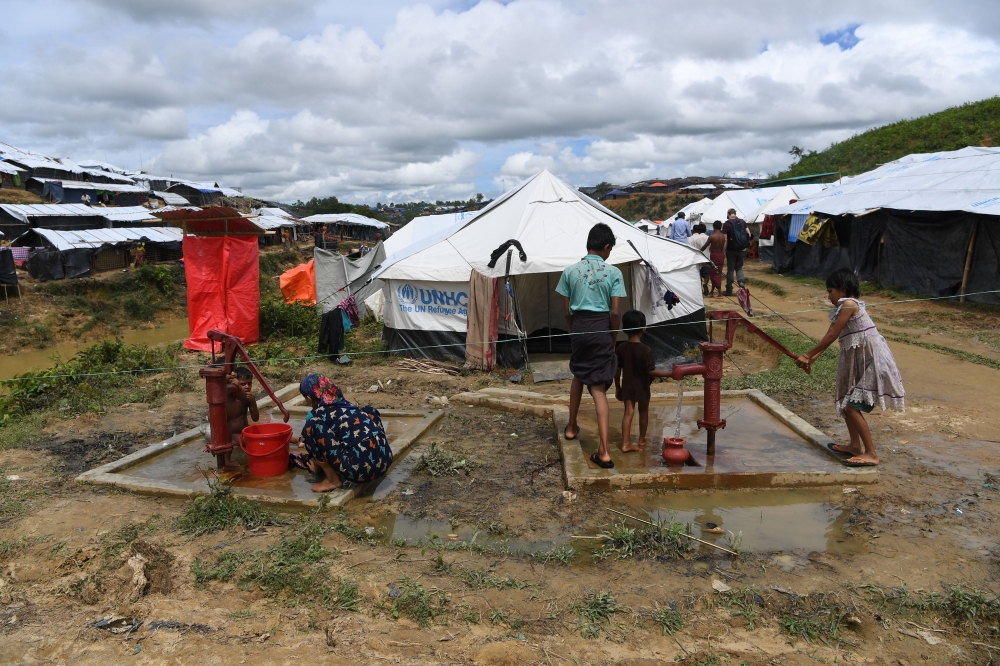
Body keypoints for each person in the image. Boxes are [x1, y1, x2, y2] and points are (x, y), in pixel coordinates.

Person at [795, 269, 905, 467]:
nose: (828, 296)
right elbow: (831, 332)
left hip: (875, 361)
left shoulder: (849, 304)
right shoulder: (842, 308)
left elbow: (832, 336)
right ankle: (855, 446)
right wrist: (812, 358)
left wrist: (807, 354)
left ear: (842, 289)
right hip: (866, 359)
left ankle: (871, 454)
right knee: (847, 405)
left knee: (853, 407)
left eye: (830, 291)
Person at [556, 223, 626, 469]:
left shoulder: (569, 271)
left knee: (578, 373)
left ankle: (572, 427)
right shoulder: (614, 273)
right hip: (601, 328)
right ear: (606, 247)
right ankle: (604, 451)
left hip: (579, 327)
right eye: (610, 249)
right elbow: (616, 312)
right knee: (597, 387)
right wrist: (613, 338)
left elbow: (566, 311)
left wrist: (574, 330)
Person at [298, 374, 393, 492]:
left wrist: (317, 465)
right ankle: (378, 452)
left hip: (359, 471)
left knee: (311, 428)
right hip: (386, 461)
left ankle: (332, 480)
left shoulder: (316, 414)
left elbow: (311, 441)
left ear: (308, 398)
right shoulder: (347, 405)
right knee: (369, 411)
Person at [614, 310, 673, 452]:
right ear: (644, 329)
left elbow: (617, 370)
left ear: (624, 329)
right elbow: (650, 371)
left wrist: (618, 387)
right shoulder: (646, 350)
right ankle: (641, 439)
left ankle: (625, 443)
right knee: (643, 412)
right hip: (642, 387)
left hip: (627, 386)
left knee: (628, 413)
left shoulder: (621, 348)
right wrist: (670, 373)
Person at [224, 366, 259, 471]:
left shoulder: (248, 399)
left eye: (249, 383)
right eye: (243, 384)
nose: (247, 387)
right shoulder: (231, 399)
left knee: (263, 434)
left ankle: (295, 440)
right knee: (254, 442)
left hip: (244, 430)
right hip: (232, 435)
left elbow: (255, 418)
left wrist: (253, 402)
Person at [721, 208, 748, 296]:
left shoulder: (726, 224)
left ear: (728, 214)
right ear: (735, 213)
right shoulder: (742, 222)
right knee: (739, 267)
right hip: (741, 249)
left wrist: (724, 251)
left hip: (731, 250)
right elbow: (749, 234)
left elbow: (725, 239)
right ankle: (741, 283)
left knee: (731, 269)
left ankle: (729, 289)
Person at [688, 223, 711, 295]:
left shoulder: (695, 239)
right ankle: (706, 283)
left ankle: (700, 289)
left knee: (699, 274)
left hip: (698, 258)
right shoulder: (708, 238)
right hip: (707, 257)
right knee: (707, 274)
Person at [706, 221, 727, 298]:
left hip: (714, 255)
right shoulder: (723, 237)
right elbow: (723, 248)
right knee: (718, 272)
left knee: (714, 273)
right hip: (721, 255)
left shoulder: (712, 236)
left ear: (713, 227)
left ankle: (719, 292)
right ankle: (712, 291)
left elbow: (705, 246)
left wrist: (698, 252)